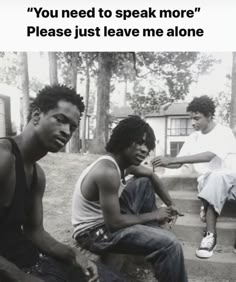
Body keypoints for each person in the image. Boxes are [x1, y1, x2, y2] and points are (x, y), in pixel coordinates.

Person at [0, 84, 98, 282]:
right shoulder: (3, 157)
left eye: (72, 127)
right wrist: (21, 278)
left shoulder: (38, 175)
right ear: (36, 116)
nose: (66, 131)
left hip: (28, 262)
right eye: (60, 120)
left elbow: (35, 231)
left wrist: (74, 254)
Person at [72, 116, 187, 282]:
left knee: (144, 182)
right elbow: (115, 224)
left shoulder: (122, 164)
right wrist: (155, 215)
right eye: (139, 142)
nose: (144, 150)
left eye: (147, 147)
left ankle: (153, 235)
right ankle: (159, 242)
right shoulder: (107, 171)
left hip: (107, 221)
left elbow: (150, 174)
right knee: (170, 244)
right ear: (124, 139)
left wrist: (171, 204)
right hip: (93, 233)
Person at [152, 95, 236, 259]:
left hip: (232, 181)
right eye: (191, 118)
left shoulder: (224, 132)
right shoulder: (193, 138)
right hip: (209, 182)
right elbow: (178, 163)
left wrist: (174, 159)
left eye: (197, 118)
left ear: (209, 115)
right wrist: (162, 162)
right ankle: (210, 236)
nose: (192, 123)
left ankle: (207, 204)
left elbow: (208, 156)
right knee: (214, 178)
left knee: (220, 177)